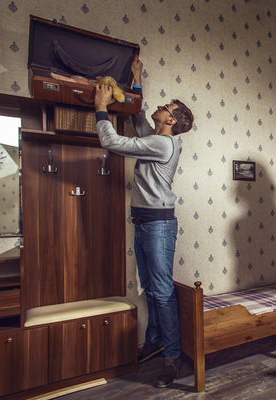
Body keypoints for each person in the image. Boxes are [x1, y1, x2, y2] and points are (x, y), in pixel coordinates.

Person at [94, 56, 194, 388]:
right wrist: (136, 77)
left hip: (158, 226)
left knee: (162, 292)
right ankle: (154, 342)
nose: (160, 106)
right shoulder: (158, 138)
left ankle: (172, 357)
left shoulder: (163, 143)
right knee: (150, 288)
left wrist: (100, 107)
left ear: (171, 120)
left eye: (166, 107)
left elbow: (112, 141)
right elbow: (138, 118)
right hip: (144, 222)